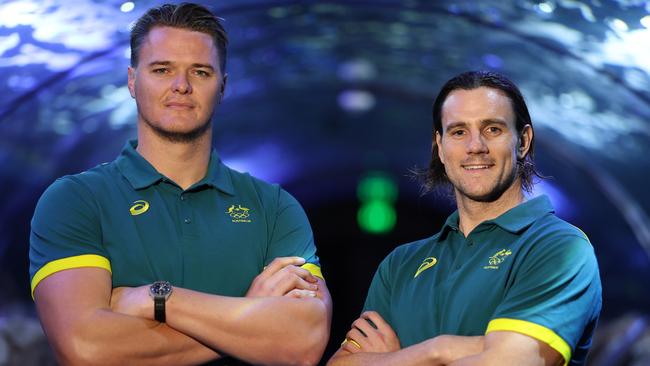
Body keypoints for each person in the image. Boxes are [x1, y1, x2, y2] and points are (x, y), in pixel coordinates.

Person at [29, 3, 331, 365]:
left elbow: (304, 341)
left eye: (200, 72)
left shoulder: (275, 207)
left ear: (223, 86)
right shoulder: (75, 200)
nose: (181, 86)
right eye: (162, 69)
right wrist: (250, 315)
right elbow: (86, 349)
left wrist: (159, 298)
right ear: (131, 80)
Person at [328, 70, 601, 366]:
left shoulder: (558, 248)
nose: (475, 147)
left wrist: (410, 355)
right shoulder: (399, 264)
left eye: (492, 129)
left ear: (523, 141)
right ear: (440, 147)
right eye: (459, 132)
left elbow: (511, 363)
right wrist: (447, 352)